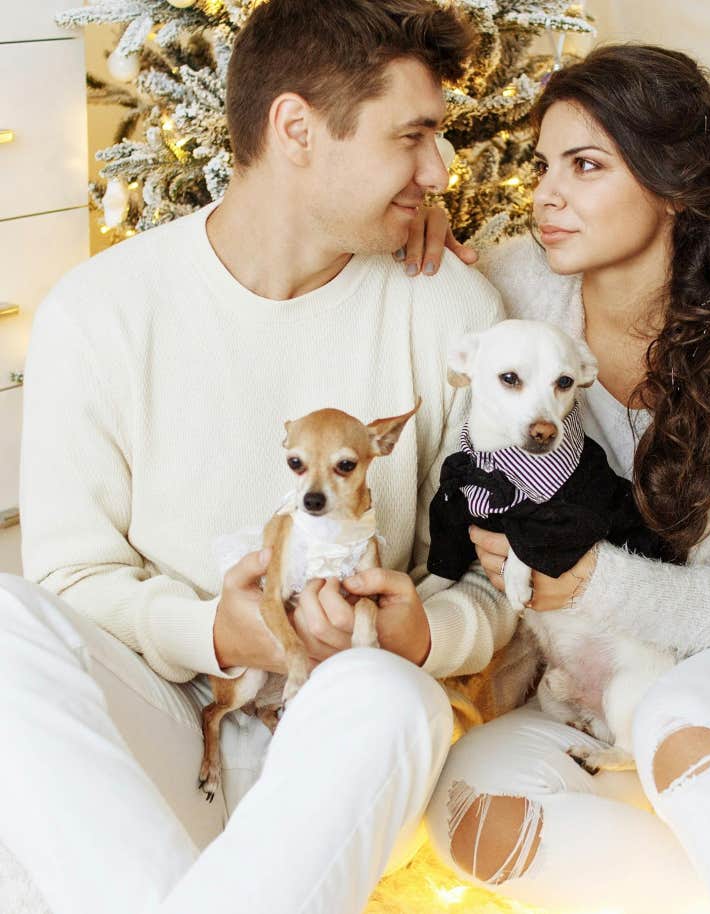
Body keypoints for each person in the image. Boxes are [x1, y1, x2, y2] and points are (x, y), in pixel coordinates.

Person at [0, 3, 509, 913]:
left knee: (391, 702)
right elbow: (70, 577)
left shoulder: (454, 314)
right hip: (165, 717)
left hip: (346, 743)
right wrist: (216, 634)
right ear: (297, 129)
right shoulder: (101, 310)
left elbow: (500, 580)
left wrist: (422, 635)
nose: (439, 169)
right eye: (414, 136)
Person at [416, 45, 710, 914]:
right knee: (469, 810)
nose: (545, 194)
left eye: (586, 166)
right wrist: (413, 228)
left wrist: (589, 583)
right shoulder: (514, 289)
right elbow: (412, 289)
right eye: (543, 165)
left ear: (673, 185)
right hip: (587, 696)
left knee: (674, 713)